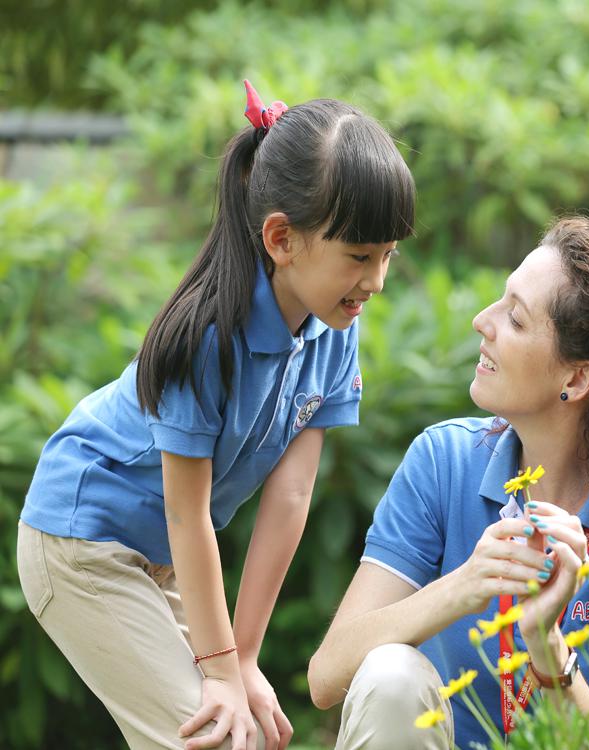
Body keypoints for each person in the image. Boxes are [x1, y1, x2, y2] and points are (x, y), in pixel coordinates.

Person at [16, 80, 415, 750]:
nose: (375, 282)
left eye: (387, 257)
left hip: (156, 557)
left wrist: (245, 657)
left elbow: (291, 495)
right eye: (358, 257)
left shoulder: (334, 332)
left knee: (247, 734)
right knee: (213, 739)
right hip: (80, 542)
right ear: (282, 240)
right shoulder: (207, 338)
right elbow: (186, 513)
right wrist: (219, 671)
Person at [308, 215, 589, 749]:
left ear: (576, 379)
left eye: (517, 319)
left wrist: (546, 644)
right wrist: (467, 585)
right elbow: (326, 677)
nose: (484, 322)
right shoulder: (444, 461)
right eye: (499, 303)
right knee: (392, 675)